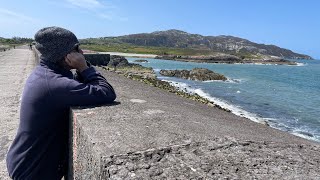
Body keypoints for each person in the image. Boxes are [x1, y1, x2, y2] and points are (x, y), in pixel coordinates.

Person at [6, 26, 116, 179]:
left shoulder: (44, 73)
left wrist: (79, 70)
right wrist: (84, 68)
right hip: (33, 171)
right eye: (77, 48)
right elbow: (106, 92)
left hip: (25, 161)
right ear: (65, 54)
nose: (82, 53)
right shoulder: (54, 84)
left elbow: (76, 86)